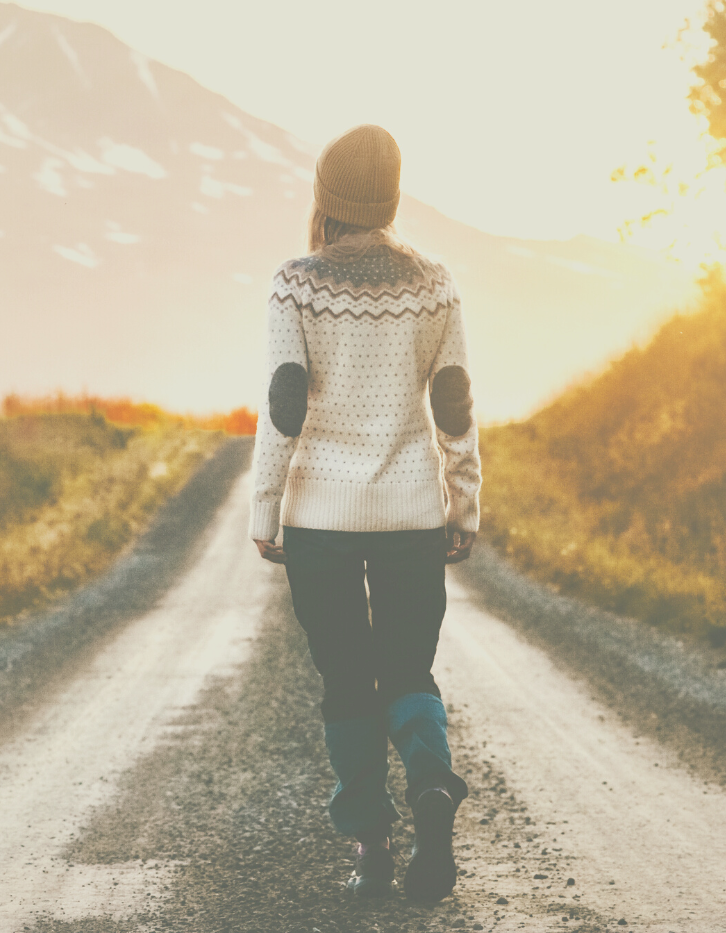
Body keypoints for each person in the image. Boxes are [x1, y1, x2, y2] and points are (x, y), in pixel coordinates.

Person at [248, 123, 481, 903]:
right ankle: (430, 782)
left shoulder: (297, 283)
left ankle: (373, 850)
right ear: (390, 196)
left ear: (327, 198)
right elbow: (453, 405)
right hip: (413, 514)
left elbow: (285, 405)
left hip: (321, 519)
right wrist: (464, 501)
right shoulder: (435, 284)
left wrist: (265, 506)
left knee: (348, 681)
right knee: (410, 669)